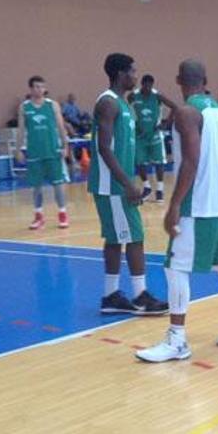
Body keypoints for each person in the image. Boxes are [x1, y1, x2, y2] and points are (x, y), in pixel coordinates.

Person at [136, 59, 218, 363]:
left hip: (197, 205)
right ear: (206, 80)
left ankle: (177, 341)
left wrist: (174, 205)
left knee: (175, 267)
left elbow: (191, 162)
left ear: (179, 80)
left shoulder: (186, 113)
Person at [89, 53, 168, 316]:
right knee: (135, 237)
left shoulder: (125, 105)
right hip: (112, 186)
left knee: (115, 240)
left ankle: (110, 295)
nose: (136, 76)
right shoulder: (108, 104)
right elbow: (103, 148)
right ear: (122, 74)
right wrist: (128, 184)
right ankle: (140, 296)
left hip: (116, 184)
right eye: (134, 71)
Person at [16, 76, 70, 230]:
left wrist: (65, 145)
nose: (40, 90)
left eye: (42, 87)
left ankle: (62, 213)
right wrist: (18, 149)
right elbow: (21, 130)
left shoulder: (52, 105)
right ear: (31, 89)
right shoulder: (24, 107)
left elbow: (61, 127)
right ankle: (39, 216)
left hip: (52, 150)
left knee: (58, 184)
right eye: (37, 87)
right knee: (36, 187)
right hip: (34, 152)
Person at [129, 74, 178, 203]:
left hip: (155, 134)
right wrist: (133, 123)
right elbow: (128, 110)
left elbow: (174, 107)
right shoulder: (133, 96)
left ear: (152, 85)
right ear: (142, 84)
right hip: (140, 135)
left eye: (150, 86)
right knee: (139, 162)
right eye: (146, 85)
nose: (148, 88)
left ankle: (160, 190)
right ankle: (146, 186)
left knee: (159, 162)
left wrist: (166, 123)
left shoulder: (157, 96)